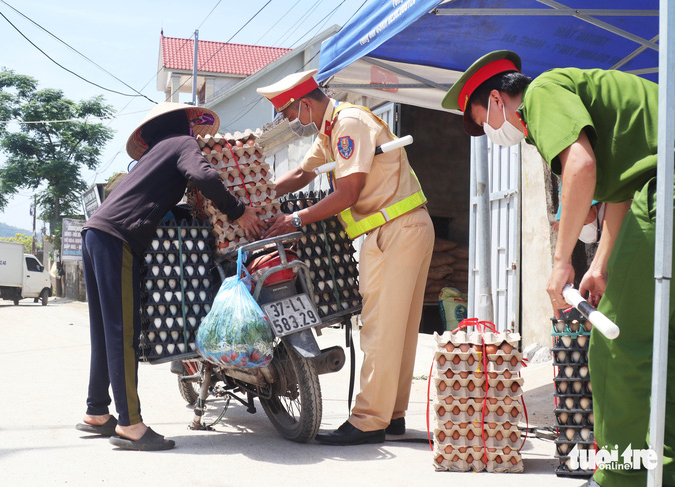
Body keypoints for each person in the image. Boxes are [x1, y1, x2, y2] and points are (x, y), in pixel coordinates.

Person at [442, 50, 674, 487]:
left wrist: (561, 261)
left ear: (497, 100)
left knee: (615, 345)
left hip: (666, 187)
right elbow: (622, 189)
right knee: (665, 343)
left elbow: (581, 169)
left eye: (484, 122)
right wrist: (600, 265)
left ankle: (619, 478)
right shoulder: (577, 101)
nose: (492, 134)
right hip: (655, 184)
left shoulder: (543, 93)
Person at [257, 70, 434, 446]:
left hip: (394, 229)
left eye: (290, 114)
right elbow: (303, 174)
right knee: (399, 330)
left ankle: (369, 421)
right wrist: (260, 193)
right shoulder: (331, 128)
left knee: (380, 329)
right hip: (408, 225)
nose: (290, 122)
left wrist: (296, 218)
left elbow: (349, 193)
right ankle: (393, 414)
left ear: (304, 103)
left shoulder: (349, 124)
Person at [76, 102, 265, 451]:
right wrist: (239, 212)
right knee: (123, 334)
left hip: (94, 234)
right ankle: (130, 425)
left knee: (104, 331)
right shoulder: (182, 144)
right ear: (183, 125)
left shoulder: (151, 158)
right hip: (117, 239)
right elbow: (205, 177)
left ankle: (97, 412)